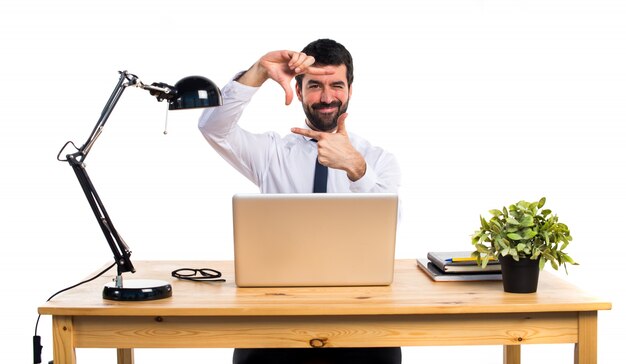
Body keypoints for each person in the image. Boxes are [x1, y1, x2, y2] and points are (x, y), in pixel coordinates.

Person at [198, 39, 401, 364]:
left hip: (359, 314)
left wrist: (356, 169)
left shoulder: (378, 160)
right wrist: (259, 72)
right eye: (315, 86)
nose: (326, 97)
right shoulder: (272, 153)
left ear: (350, 88)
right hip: (277, 313)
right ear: (298, 88)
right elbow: (213, 128)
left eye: (336, 85)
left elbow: (388, 229)